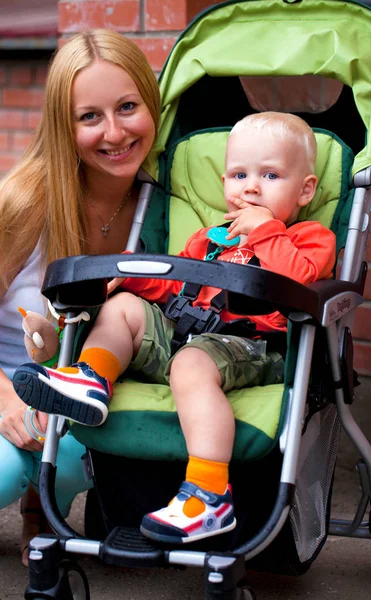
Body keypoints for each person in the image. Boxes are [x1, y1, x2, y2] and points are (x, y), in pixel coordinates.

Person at [13, 112, 336, 545]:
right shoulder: (210, 238)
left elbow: (298, 281)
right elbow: (171, 284)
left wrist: (266, 233)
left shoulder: (308, 236)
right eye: (239, 175)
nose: (251, 187)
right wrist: (128, 275)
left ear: (306, 189)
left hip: (253, 345)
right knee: (125, 307)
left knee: (190, 364)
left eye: (271, 175)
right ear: (224, 181)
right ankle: (89, 378)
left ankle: (209, 495)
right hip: (184, 333)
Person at [0, 28, 160, 563]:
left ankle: (40, 510)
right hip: (5, 385)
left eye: (127, 106)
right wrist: (3, 398)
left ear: (151, 103)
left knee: (73, 459)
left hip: (78, 397)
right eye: (89, 116)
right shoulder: (26, 201)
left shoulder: (162, 208)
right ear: (63, 126)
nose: (114, 132)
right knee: (5, 470)